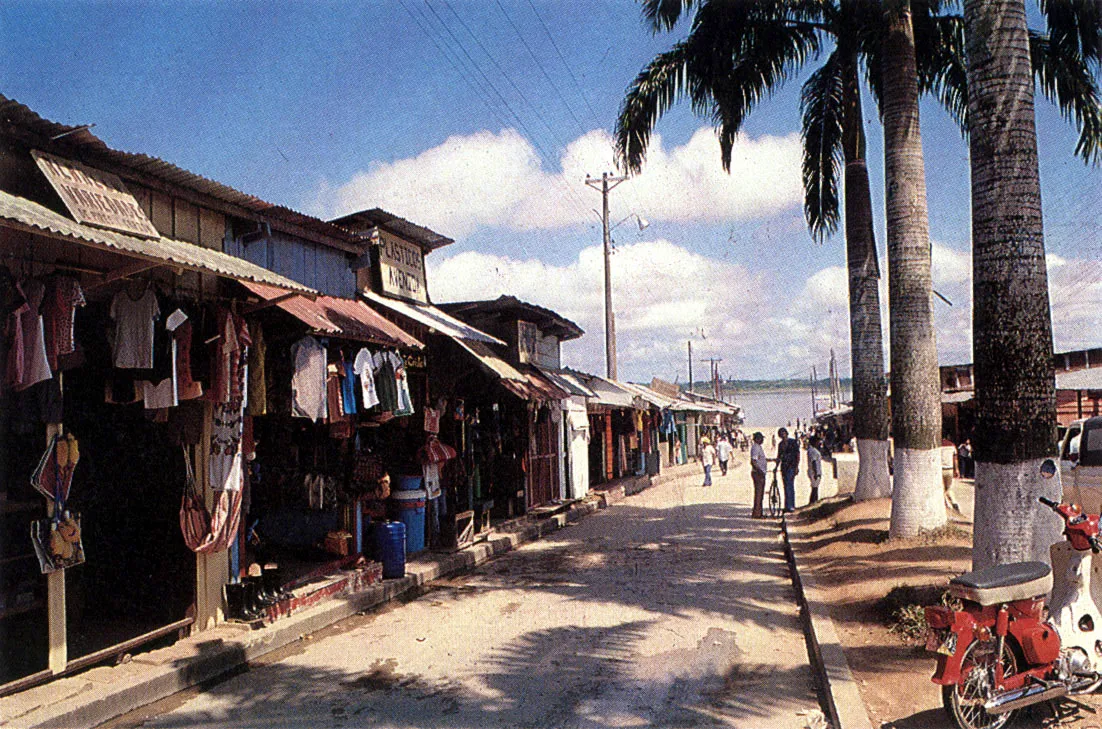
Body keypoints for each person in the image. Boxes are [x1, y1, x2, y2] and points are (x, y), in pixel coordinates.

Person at [776, 427, 800, 512]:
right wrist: (776, 467)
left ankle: (791, 505)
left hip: (792, 466)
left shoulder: (793, 442)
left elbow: (797, 455)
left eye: (784, 434)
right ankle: (787, 505)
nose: (783, 436)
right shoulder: (780, 445)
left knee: (790, 485)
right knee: (786, 486)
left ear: (786, 433)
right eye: (781, 434)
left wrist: (797, 466)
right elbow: (779, 456)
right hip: (784, 467)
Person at [750, 432, 767, 517]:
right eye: (761, 438)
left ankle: (759, 512)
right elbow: (753, 461)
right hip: (758, 473)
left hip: (760, 472)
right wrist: (760, 471)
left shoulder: (758, 447)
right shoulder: (756, 447)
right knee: (759, 493)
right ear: (757, 439)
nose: (763, 440)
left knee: (760, 493)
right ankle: (757, 513)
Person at [941, 437, 960, 511]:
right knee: (949, 489)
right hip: (950, 469)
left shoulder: (938, 446)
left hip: (941, 469)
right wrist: (957, 470)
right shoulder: (952, 445)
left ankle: (946, 507)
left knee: (941, 490)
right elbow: (955, 459)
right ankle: (954, 503)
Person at [806, 436, 823, 503]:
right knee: (814, 488)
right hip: (814, 472)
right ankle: (813, 501)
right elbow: (814, 462)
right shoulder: (813, 451)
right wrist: (816, 472)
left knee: (815, 487)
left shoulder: (812, 450)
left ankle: (814, 500)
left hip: (814, 471)